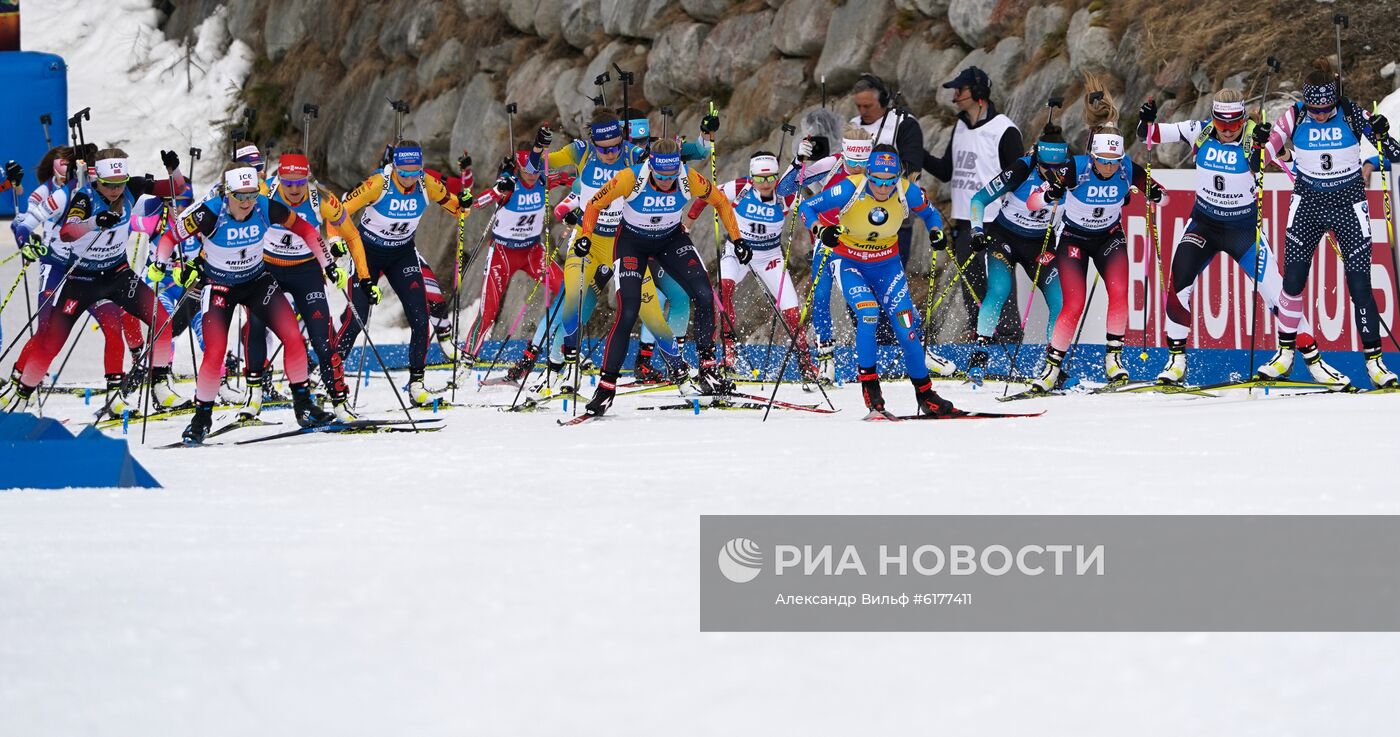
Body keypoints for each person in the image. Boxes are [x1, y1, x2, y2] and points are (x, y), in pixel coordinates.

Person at [1139, 88, 1348, 387]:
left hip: (1243, 231)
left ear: (1242, 119)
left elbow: (1296, 168)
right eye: (1221, 124)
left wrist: (1270, 150)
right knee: (1179, 282)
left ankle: (1315, 361)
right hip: (1203, 226)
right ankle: (1176, 361)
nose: (1226, 131)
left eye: (1233, 125)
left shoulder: (1257, 137)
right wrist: (1146, 120)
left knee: (1278, 294)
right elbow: (1149, 135)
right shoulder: (1199, 130)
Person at [150, 164, 342, 443]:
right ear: (227, 193)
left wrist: (328, 264)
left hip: (256, 282)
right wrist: (160, 263)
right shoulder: (210, 212)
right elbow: (169, 239)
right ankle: (201, 418)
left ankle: (303, 405)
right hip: (219, 287)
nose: (247, 203)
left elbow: (307, 231)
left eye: (252, 195)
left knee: (294, 338)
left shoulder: (265, 206)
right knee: (215, 353)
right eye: (240, 196)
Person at [576, 138, 745, 416]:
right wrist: (585, 237)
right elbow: (594, 205)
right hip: (632, 242)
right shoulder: (629, 178)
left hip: (670, 240)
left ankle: (708, 370)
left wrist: (738, 240)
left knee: (704, 294)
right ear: (651, 167)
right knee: (628, 310)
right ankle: (606, 388)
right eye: (661, 176)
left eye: (671, 176)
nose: (668, 182)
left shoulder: (688, 178)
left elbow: (721, 203)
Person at [4, 149, 180, 413]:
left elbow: (174, 187)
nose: (114, 190)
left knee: (162, 319)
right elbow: (67, 232)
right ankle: (21, 394)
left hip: (118, 274)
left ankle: (159, 386)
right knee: (51, 340)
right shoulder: (84, 198)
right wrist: (94, 222)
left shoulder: (130, 187)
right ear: (97, 179)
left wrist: (173, 170)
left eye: (119, 184)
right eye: (108, 185)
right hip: (82, 278)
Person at [1262, 59, 1398, 389]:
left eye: (1326, 110)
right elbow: (1266, 153)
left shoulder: (1352, 114)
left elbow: (1394, 152)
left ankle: (1375, 364)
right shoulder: (1294, 115)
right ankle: (1284, 354)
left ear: (1335, 102)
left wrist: (1382, 133)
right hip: (1307, 204)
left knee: (1360, 285)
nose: (1320, 115)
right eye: (1315, 110)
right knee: (1292, 281)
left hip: (1348, 205)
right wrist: (1261, 147)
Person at [796, 145, 956, 418]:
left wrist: (936, 232)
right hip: (849, 263)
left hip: (887, 266)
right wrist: (821, 230)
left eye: (889, 181)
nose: (883, 187)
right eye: (877, 180)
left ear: (898, 177)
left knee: (906, 326)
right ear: (868, 173)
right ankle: (872, 392)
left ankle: (925, 394)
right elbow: (808, 206)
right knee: (868, 314)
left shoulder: (908, 191)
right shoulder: (850, 188)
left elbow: (930, 214)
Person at [1029, 86, 1160, 392]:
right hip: (1074, 239)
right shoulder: (1075, 168)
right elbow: (1034, 203)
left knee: (1120, 291)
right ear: (1093, 156)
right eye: (1104, 162)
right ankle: (1051, 370)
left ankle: (1114, 361)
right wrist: (1050, 194)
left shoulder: (1126, 167)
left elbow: (1159, 194)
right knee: (1072, 304)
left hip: (1109, 238)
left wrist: (1155, 193)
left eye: (1115, 162)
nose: (1110, 168)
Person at [242, 149, 366, 420]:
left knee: (322, 336)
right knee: (257, 325)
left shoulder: (322, 199)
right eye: (288, 183)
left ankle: (339, 401)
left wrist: (362, 275)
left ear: (308, 179)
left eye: (300, 183)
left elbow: (353, 236)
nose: (294, 189)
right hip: (268, 268)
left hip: (306, 270)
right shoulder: (263, 193)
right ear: (280, 179)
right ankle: (253, 395)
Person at [335, 140, 462, 405]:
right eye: (403, 172)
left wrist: (463, 203)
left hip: (401, 254)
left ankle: (417, 383)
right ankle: (328, 375)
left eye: (414, 172)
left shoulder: (427, 184)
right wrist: (336, 240)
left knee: (420, 318)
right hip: (367, 253)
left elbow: (456, 206)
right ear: (393, 168)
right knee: (357, 317)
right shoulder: (377, 184)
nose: (408, 178)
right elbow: (340, 210)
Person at [687, 150, 819, 382]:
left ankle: (806, 363)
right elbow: (705, 196)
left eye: (770, 178)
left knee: (791, 310)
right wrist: (687, 225)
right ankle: (729, 355)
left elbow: (809, 214)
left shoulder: (786, 195)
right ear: (752, 176)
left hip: (769, 257)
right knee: (724, 290)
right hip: (737, 251)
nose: (766, 184)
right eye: (760, 178)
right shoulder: (741, 188)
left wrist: (815, 244)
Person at [922, 66, 1025, 342]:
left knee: (999, 287)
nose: (955, 96)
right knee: (972, 286)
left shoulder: (1004, 130)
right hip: (965, 222)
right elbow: (946, 171)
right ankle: (980, 334)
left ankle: (1008, 337)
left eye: (960, 90)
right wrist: (916, 153)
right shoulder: (960, 126)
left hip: (995, 222)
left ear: (978, 93)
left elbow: (1019, 178)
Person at [965, 125, 1068, 379]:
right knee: (999, 290)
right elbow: (978, 199)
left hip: (1039, 245)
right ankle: (978, 358)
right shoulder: (1021, 170)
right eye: (1046, 168)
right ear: (1037, 160)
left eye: (1059, 168)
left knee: (1059, 301)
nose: (1052, 174)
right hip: (1005, 239)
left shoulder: (1072, 174)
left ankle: (1053, 367)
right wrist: (977, 231)